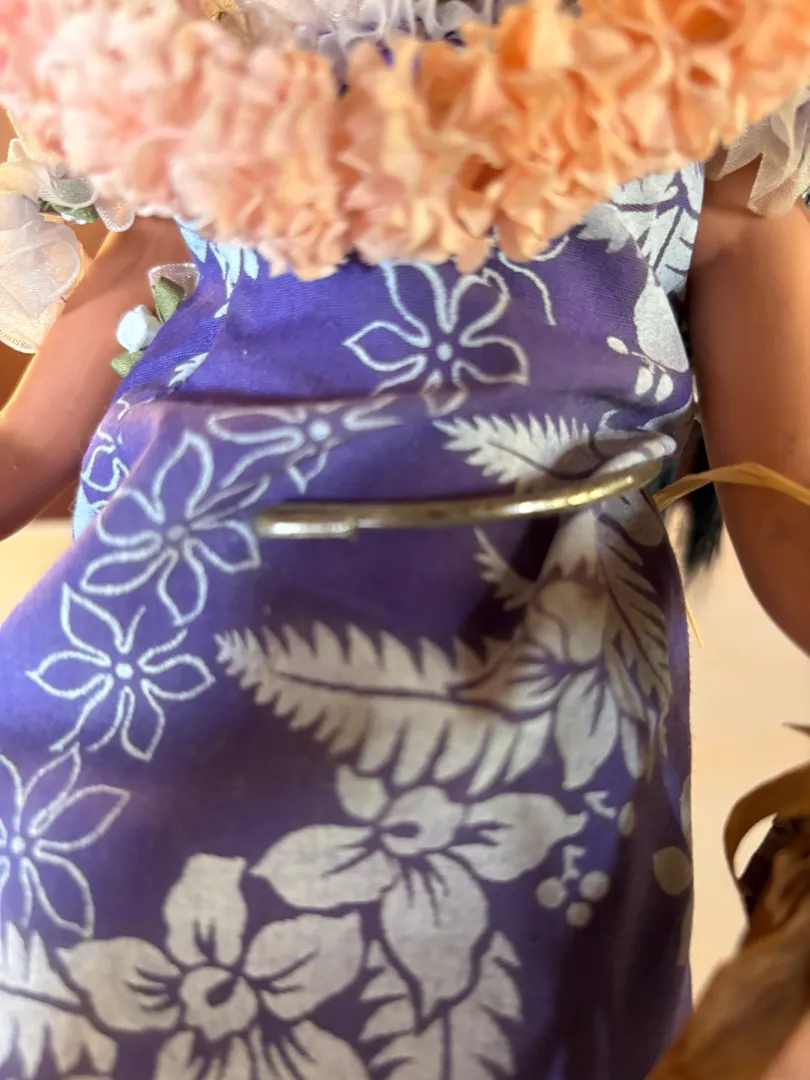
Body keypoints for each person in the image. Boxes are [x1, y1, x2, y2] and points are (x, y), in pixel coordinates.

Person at [0, 1, 808, 1078]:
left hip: (531, 695)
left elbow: (785, 505)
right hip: (147, 637)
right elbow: (126, 293)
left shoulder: (714, 41)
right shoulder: (206, 23)